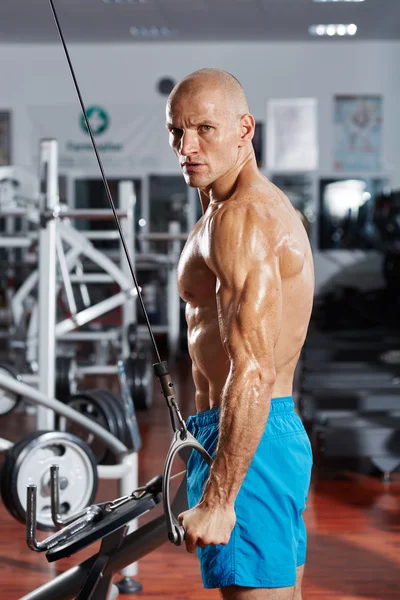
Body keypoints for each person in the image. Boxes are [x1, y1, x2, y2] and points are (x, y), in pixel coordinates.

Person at [165, 68, 314, 600]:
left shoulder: (242, 219)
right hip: (258, 432)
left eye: (205, 128)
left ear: (244, 129)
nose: (187, 146)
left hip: (248, 437)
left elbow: (254, 366)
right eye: (177, 132)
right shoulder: (223, 209)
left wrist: (222, 497)